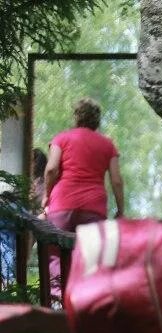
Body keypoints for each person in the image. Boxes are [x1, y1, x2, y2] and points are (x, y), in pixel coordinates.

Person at [42, 98, 124, 300]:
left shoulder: (61, 139)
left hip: (62, 203)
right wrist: (121, 209)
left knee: (55, 252)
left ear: (76, 117)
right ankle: (84, 302)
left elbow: (51, 169)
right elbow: (116, 181)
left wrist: (46, 195)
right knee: (90, 256)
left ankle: (56, 298)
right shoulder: (108, 145)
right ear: (97, 120)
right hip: (93, 208)